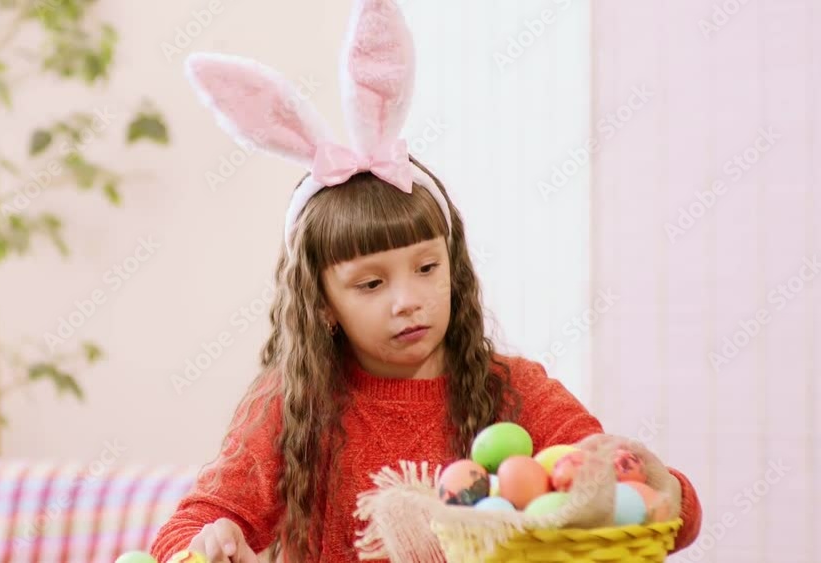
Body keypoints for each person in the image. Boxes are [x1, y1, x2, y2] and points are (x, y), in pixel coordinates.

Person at [153, 1, 701, 561]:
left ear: (453, 269)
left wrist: (650, 489)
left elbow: (650, 503)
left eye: (426, 268)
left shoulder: (511, 390)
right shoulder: (292, 403)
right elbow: (185, 528)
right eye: (371, 284)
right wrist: (211, 539)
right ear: (321, 304)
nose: (407, 301)